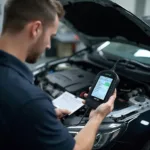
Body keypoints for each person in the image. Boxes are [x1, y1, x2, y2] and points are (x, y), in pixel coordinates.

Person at [0, 0, 117, 150]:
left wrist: (39, 119)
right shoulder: (29, 100)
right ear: (36, 29)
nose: (48, 45)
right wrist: (97, 117)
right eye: (51, 35)